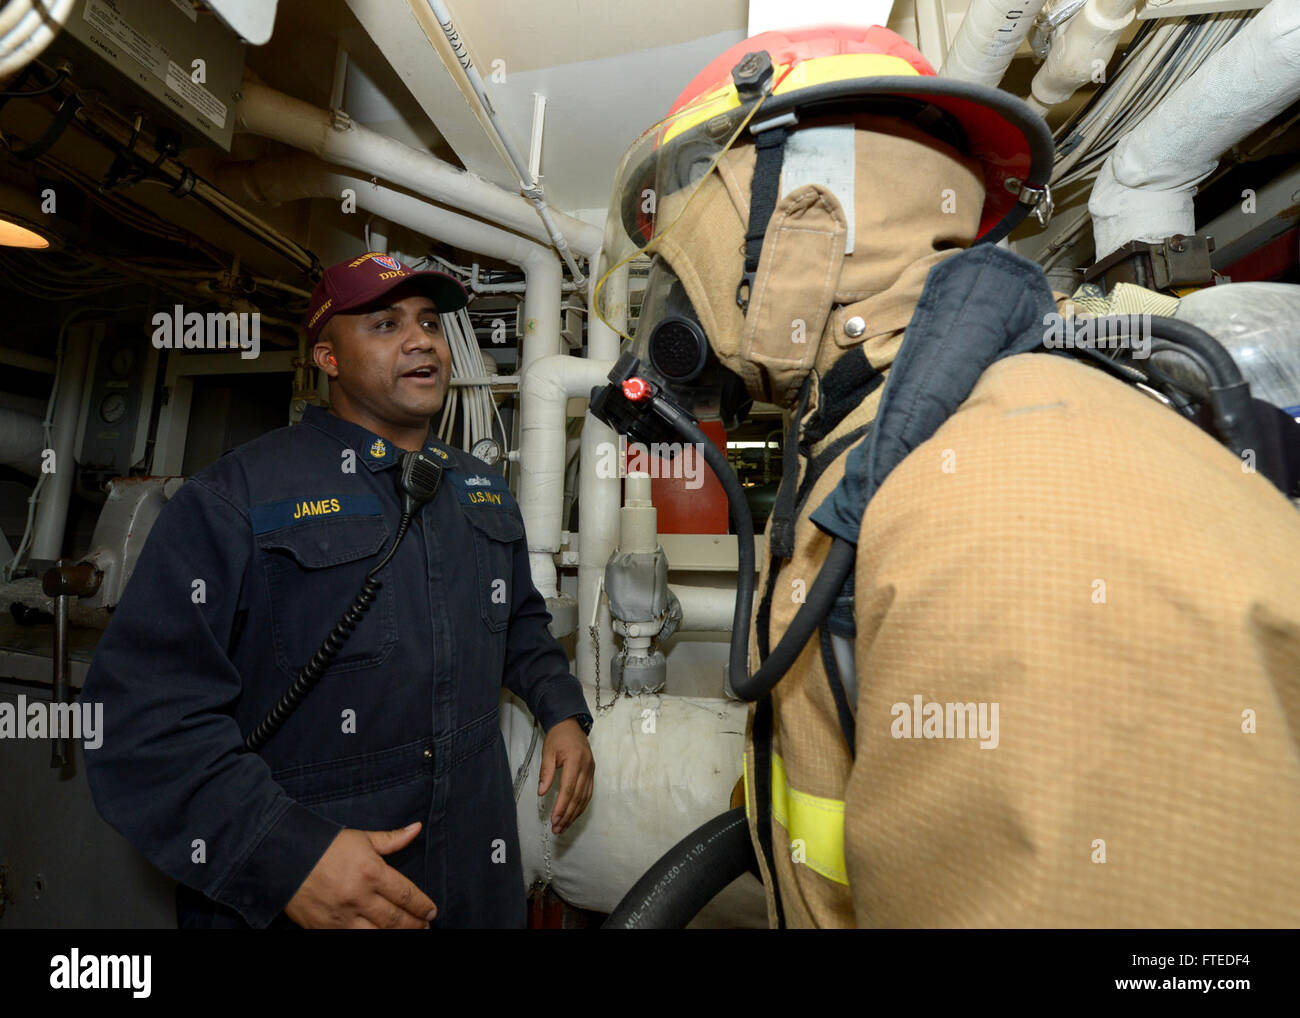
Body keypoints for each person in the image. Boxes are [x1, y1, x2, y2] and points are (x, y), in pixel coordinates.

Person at [594, 24, 1300, 927]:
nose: (678, 299)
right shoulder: (882, 441)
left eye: (688, 251)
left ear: (795, 219)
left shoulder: (1012, 481)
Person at [82, 251, 594, 929]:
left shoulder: (475, 485)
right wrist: (282, 854)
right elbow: (139, 721)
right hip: (316, 895)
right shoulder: (238, 497)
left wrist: (561, 711)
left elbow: (521, 623)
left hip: (474, 877)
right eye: (384, 325)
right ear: (326, 357)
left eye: (430, 324)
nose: (422, 340)